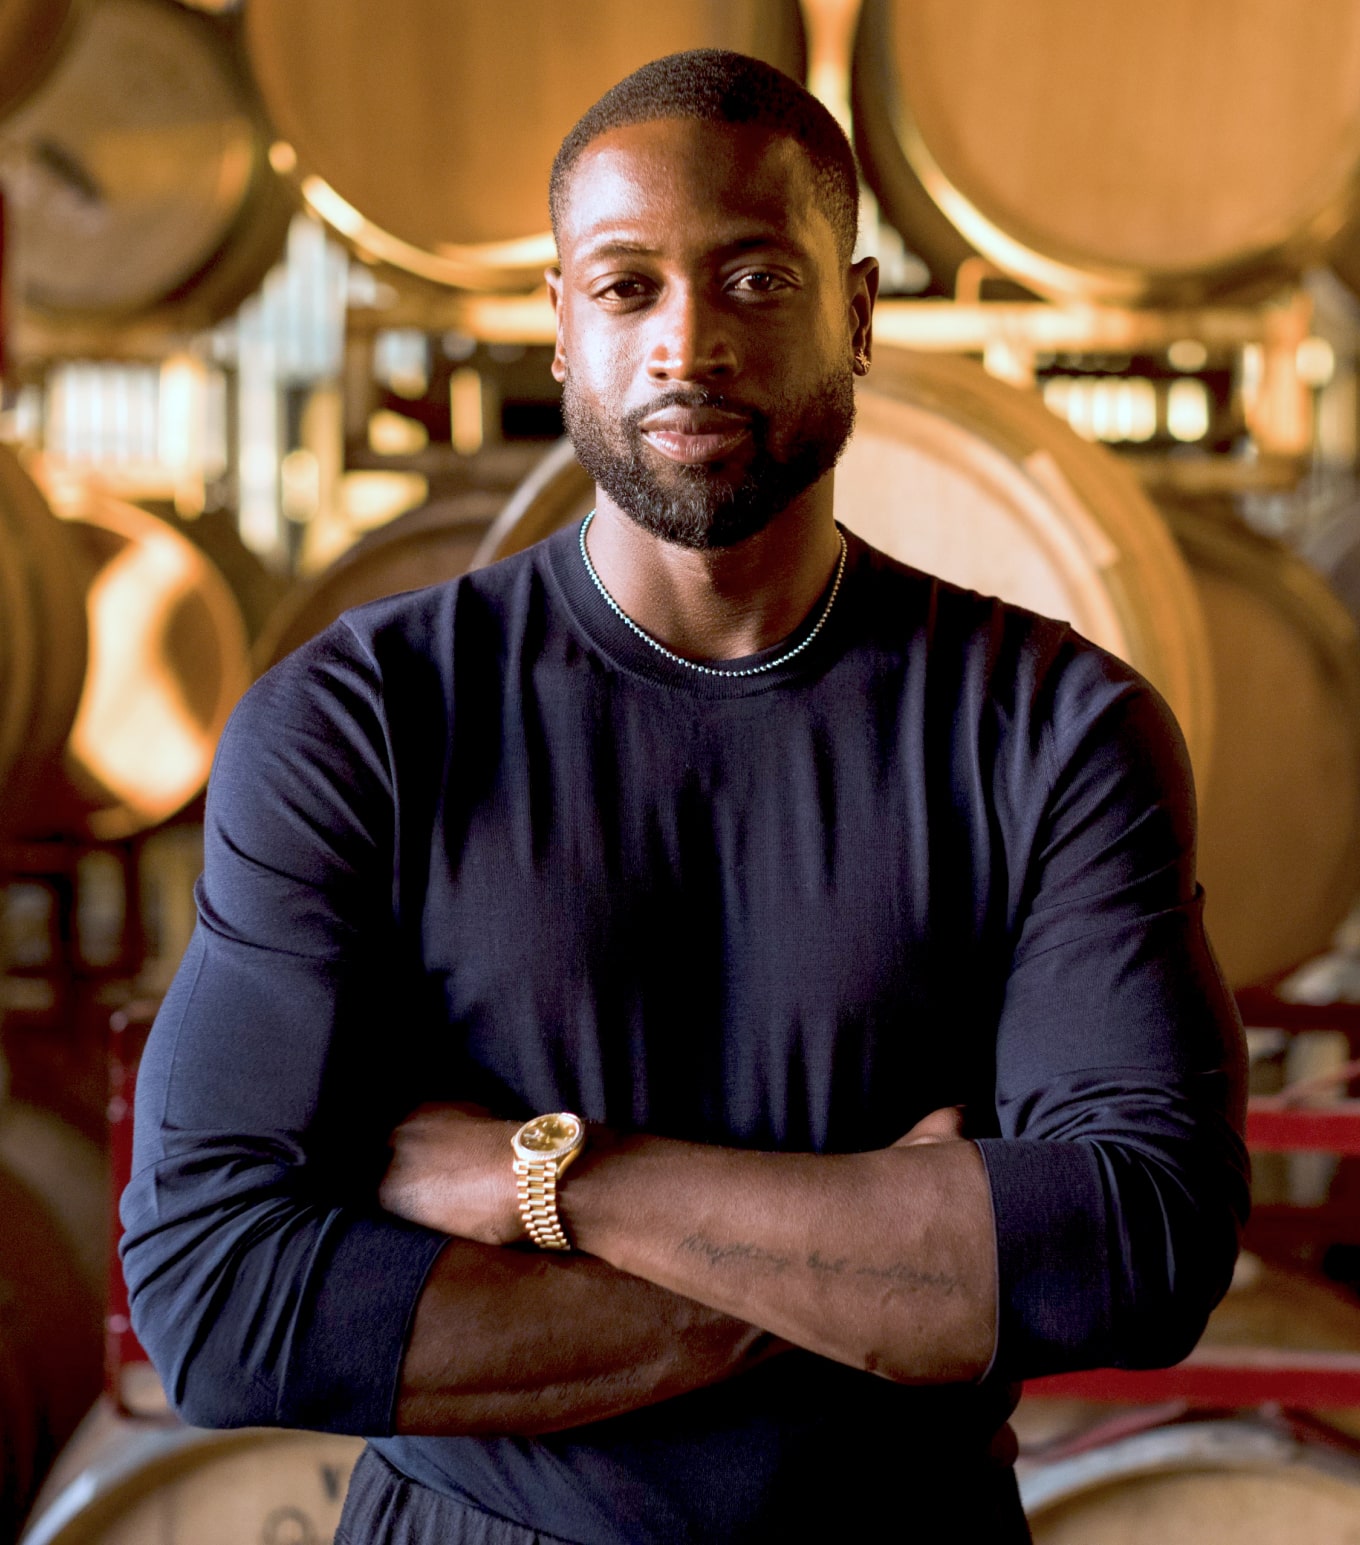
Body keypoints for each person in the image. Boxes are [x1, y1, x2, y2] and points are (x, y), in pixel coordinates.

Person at [121, 49, 1249, 1544]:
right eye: (628, 286)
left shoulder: (1056, 725)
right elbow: (222, 1299)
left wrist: (545, 1178)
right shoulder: (361, 721)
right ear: (562, 324)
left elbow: (1133, 1247)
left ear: (855, 313)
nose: (687, 342)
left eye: (756, 281)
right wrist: (873, 1269)